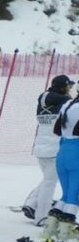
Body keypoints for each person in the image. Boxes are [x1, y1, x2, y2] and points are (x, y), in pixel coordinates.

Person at [22, 75, 72, 226]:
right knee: (50, 183)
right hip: (54, 148)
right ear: (63, 87)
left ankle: (31, 203)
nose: (70, 88)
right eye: (68, 86)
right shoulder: (65, 101)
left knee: (48, 179)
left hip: (40, 147)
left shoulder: (44, 98)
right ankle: (41, 216)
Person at [42, 90, 79, 242]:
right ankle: (66, 231)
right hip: (76, 152)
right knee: (74, 195)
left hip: (62, 152)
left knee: (66, 194)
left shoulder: (67, 105)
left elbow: (57, 129)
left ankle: (51, 227)